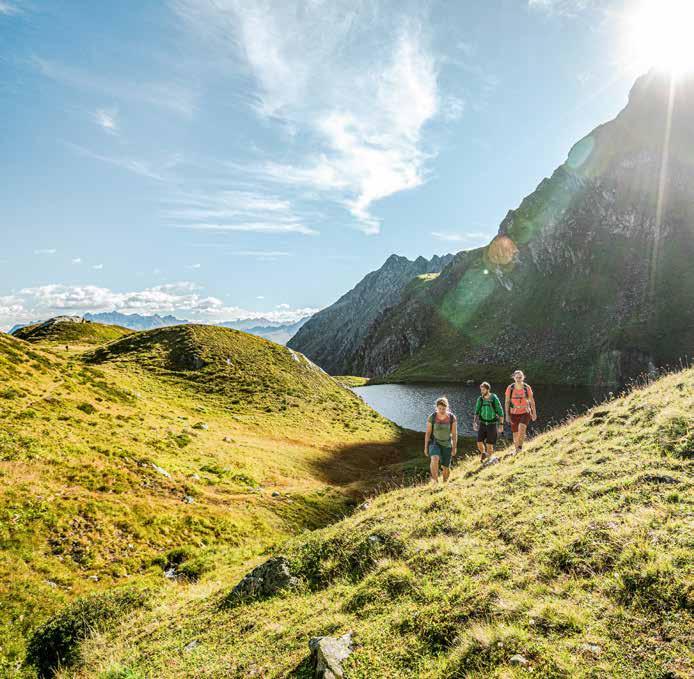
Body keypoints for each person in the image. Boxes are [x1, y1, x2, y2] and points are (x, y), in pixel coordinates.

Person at [424, 397, 457, 483]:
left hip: (447, 444)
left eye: (444, 408)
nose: (442, 410)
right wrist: (426, 447)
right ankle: (435, 482)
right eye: (440, 408)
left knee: (446, 467)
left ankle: (444, 483)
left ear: (447, 407)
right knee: (434, 459)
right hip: (434, 442)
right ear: (436, 407)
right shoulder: (432, 417)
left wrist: (454, 447)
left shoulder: (452, 417)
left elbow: (454, 434)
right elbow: (428, 433)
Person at [504, 370, 537, 455]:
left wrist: (534, 413)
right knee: (515, 433)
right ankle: (516, 450)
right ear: (514, 378)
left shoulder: (527, 388)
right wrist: (507, 415)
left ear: (523, 378)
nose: (518, 379)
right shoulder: (510, 388)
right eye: (517, 377)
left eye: (520, 377)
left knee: (521, 428)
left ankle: (520, 448)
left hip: (525, 412)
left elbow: (532, 401)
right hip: (513, 413)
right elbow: (507, 402)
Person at [473, 382, 504, 464]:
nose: (482, 391)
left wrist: (501, 425)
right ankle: (484, 453)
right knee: (479, 442)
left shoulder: (494, 398)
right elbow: (476, 411)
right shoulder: (480, 399)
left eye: (483, 390)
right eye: (481, 390)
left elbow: (500, 411)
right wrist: (474, 422)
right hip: (482, 423)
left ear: (488, 389)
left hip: (492, 424)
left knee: (489, 445)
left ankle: (489, 461)